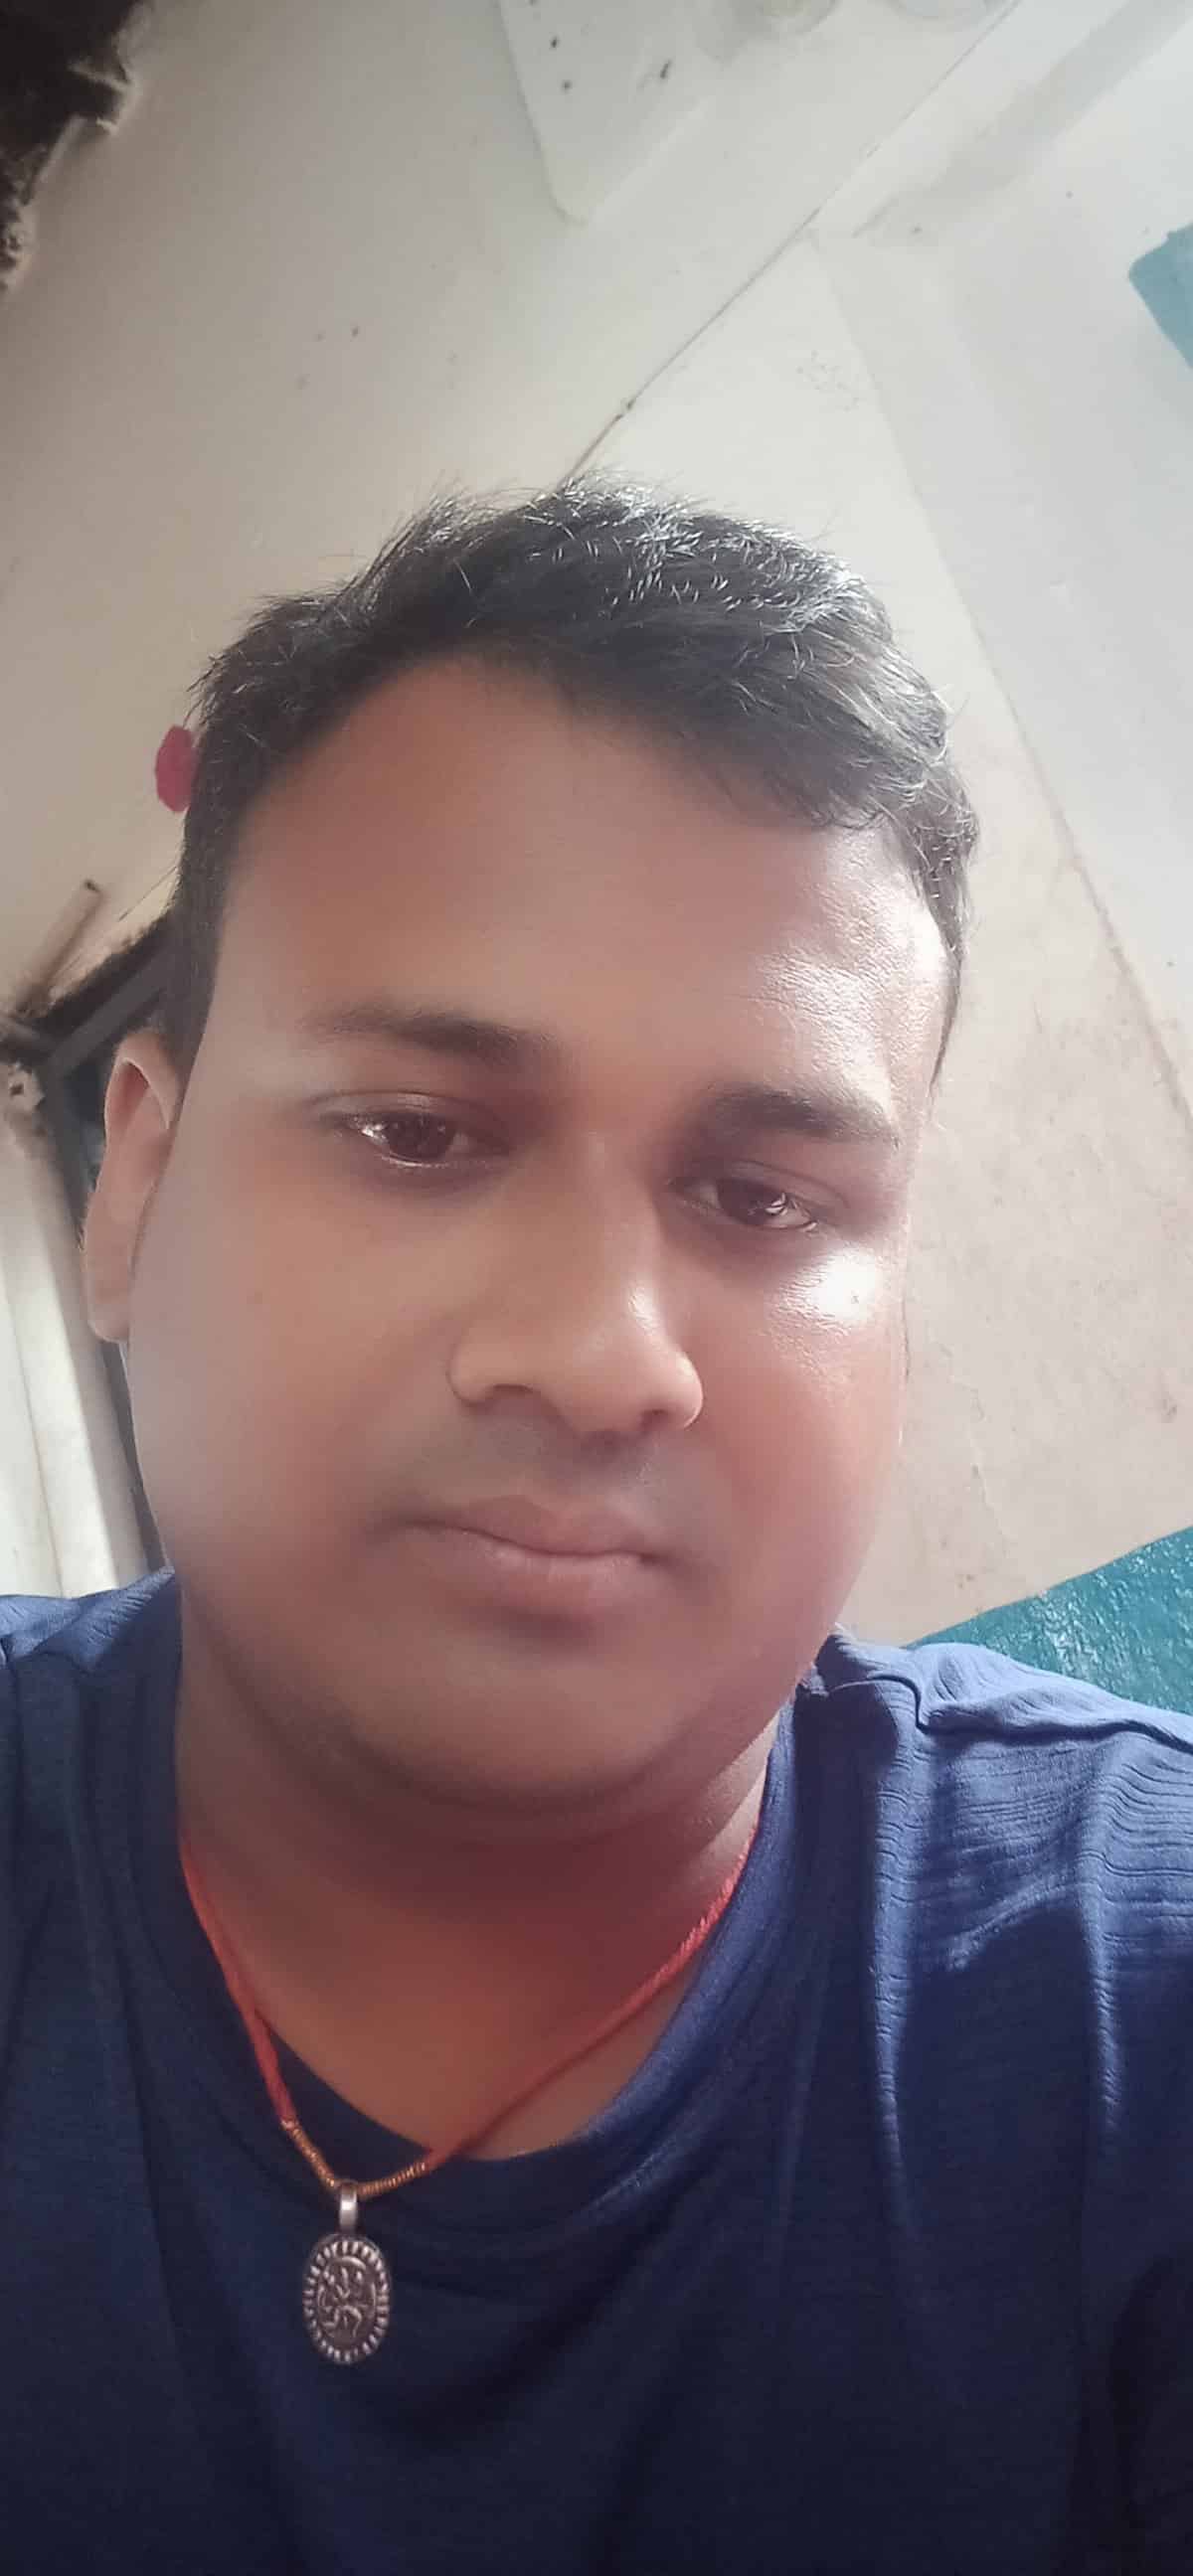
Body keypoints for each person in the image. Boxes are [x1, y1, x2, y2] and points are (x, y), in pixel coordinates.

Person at [2, 484, 1190, 2576]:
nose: (597, 1356)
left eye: (763, 1197)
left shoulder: (1136, 2002)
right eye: (417, 1133)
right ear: (135, 1189)